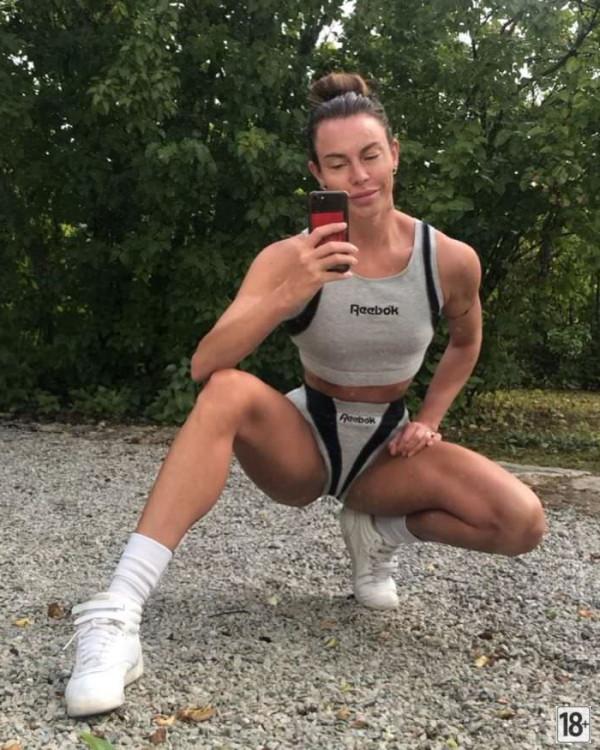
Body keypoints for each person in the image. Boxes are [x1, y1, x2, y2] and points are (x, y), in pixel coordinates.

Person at [64, 72, 547, 717]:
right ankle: (116, 612)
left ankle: (379, 531)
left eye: (370, 155)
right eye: (339, 163)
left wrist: (430, 418)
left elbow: (465, 343)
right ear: (317, 173)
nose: (360, 176)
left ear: (395, 153)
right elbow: (207, 363)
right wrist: (290, 292)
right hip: (307, 441)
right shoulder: (289, 257)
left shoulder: (449, 260)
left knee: (522, 522)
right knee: (227, 392)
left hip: (386, 452)